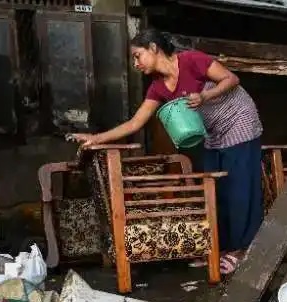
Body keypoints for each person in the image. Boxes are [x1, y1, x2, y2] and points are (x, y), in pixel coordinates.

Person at [70, 29, 263, 275]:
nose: (136, 63)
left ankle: (243, 250)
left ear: (153, 48)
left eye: (138, 55)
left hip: (238, 119)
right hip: (212, 129)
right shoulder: (158, 87)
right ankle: (219, 248)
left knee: (240, 186)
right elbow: (135, 123)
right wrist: (95, 138)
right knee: (216, 187)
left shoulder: (191, 60)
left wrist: (205, 95)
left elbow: (231, 79)